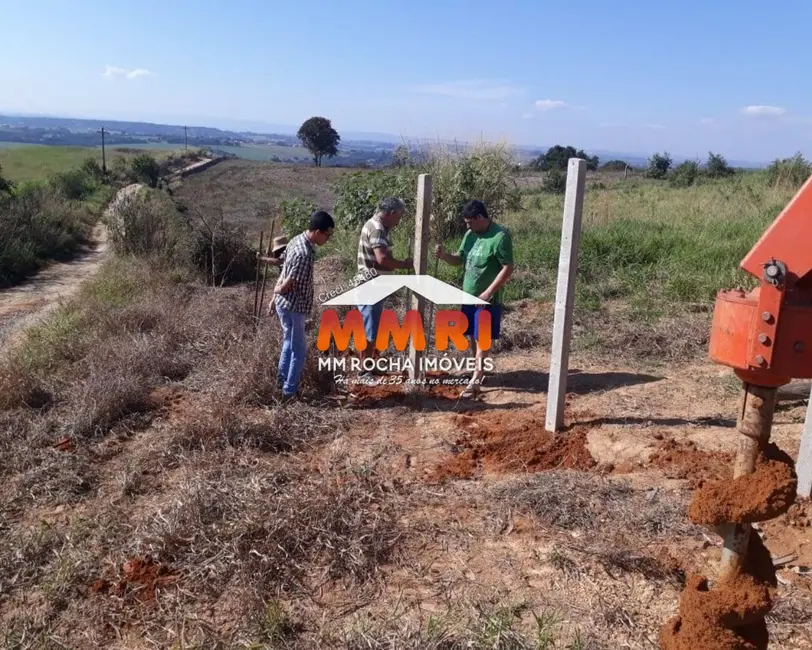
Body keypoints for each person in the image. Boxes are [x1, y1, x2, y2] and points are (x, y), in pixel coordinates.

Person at [434, 199, 514, 397]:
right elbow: (459, 259)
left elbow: (508, 267)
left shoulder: (499, 237)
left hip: (487, 300)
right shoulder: (470, 235)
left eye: (470, 222)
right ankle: (478, 371)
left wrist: (488, 292)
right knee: (472, 334)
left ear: (480, 217)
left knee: (482, 337)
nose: (467, 226)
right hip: (468, 297)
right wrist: (444, 256)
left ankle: (476, 379)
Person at [273, 211, 334, 401]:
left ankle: (280, 383)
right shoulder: (305, 253)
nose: (328, 239)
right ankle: (288, 392)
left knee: (288, 343)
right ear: (317, 231)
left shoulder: (296, 240)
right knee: (299, 351)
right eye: (327, 234)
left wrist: (275, 295)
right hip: (294, 305)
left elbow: (284, 269)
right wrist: (278, 289)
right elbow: (290, 281)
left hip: (285, 305)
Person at [355, 197, 413, 369]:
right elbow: (382, 258)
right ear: (392, 213)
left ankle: (370, 366)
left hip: (372, 287)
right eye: (399, 217)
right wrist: (404, 265)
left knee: (371, 328)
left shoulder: (375, 225)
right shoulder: (378, 229)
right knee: (369, 331)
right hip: (370, 287)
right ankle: (364, 372)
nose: (398, 222)